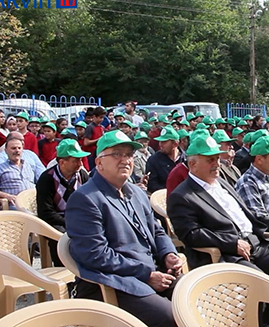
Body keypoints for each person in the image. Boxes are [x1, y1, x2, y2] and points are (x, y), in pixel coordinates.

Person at [167, 133, 269, 327]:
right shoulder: (182, 196)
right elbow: (190, 235)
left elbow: (246, 213)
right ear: (193, 164)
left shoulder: (221, 182)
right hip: (226, 253)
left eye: (217, 158)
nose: (217, 163)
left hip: (255, 242)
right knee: (259, 282)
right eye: (210, 160)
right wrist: (230, 244)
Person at [66, 131, 182, 327]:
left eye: (129, 154)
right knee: (172, 317)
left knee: (196, 299)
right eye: (117, 154)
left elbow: (157, 230)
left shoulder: (136, 192)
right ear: (99, 162)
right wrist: (145, 274)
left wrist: (167, 253)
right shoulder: (85, 199)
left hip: (153, 272)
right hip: (116, 283)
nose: (126, 160)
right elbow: (96, 255)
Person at [37, 139, 90, 267]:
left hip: (79, 217)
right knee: (61, 237)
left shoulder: (82, 175)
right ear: (62, 162)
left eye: (80, 160)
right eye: (75, 160)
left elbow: (90, 201)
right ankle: (64, 271)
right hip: (58, 220)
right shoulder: (47, 179)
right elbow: (46, 212)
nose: (80, 163)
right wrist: (68, 221)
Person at [0, 133, 40, 209]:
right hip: (15, 204)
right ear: (6, 150)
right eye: (13, 148)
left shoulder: (30, 166)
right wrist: (7, 196)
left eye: (19, 148)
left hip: (33, 202)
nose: (17, 151)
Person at [146, 126, 183, 193]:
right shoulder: (154, 160)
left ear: (175, 144)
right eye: (160, 141)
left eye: (164, 142)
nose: (160, 144)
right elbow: (152, 185)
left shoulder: (186, 160)